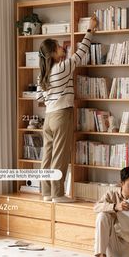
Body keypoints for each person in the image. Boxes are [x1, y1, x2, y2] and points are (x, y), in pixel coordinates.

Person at [36, 15, 97, 203]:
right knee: (60, 157)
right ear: (54, 53)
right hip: (62, 115)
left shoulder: (43, 75)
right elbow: (81, 53)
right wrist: (90, 30)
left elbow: (39, 99)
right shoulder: (62, 67)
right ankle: (58, 194)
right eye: (59, 46)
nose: (63, 48)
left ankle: (46, 193)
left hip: (48, 117)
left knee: (47, 156)